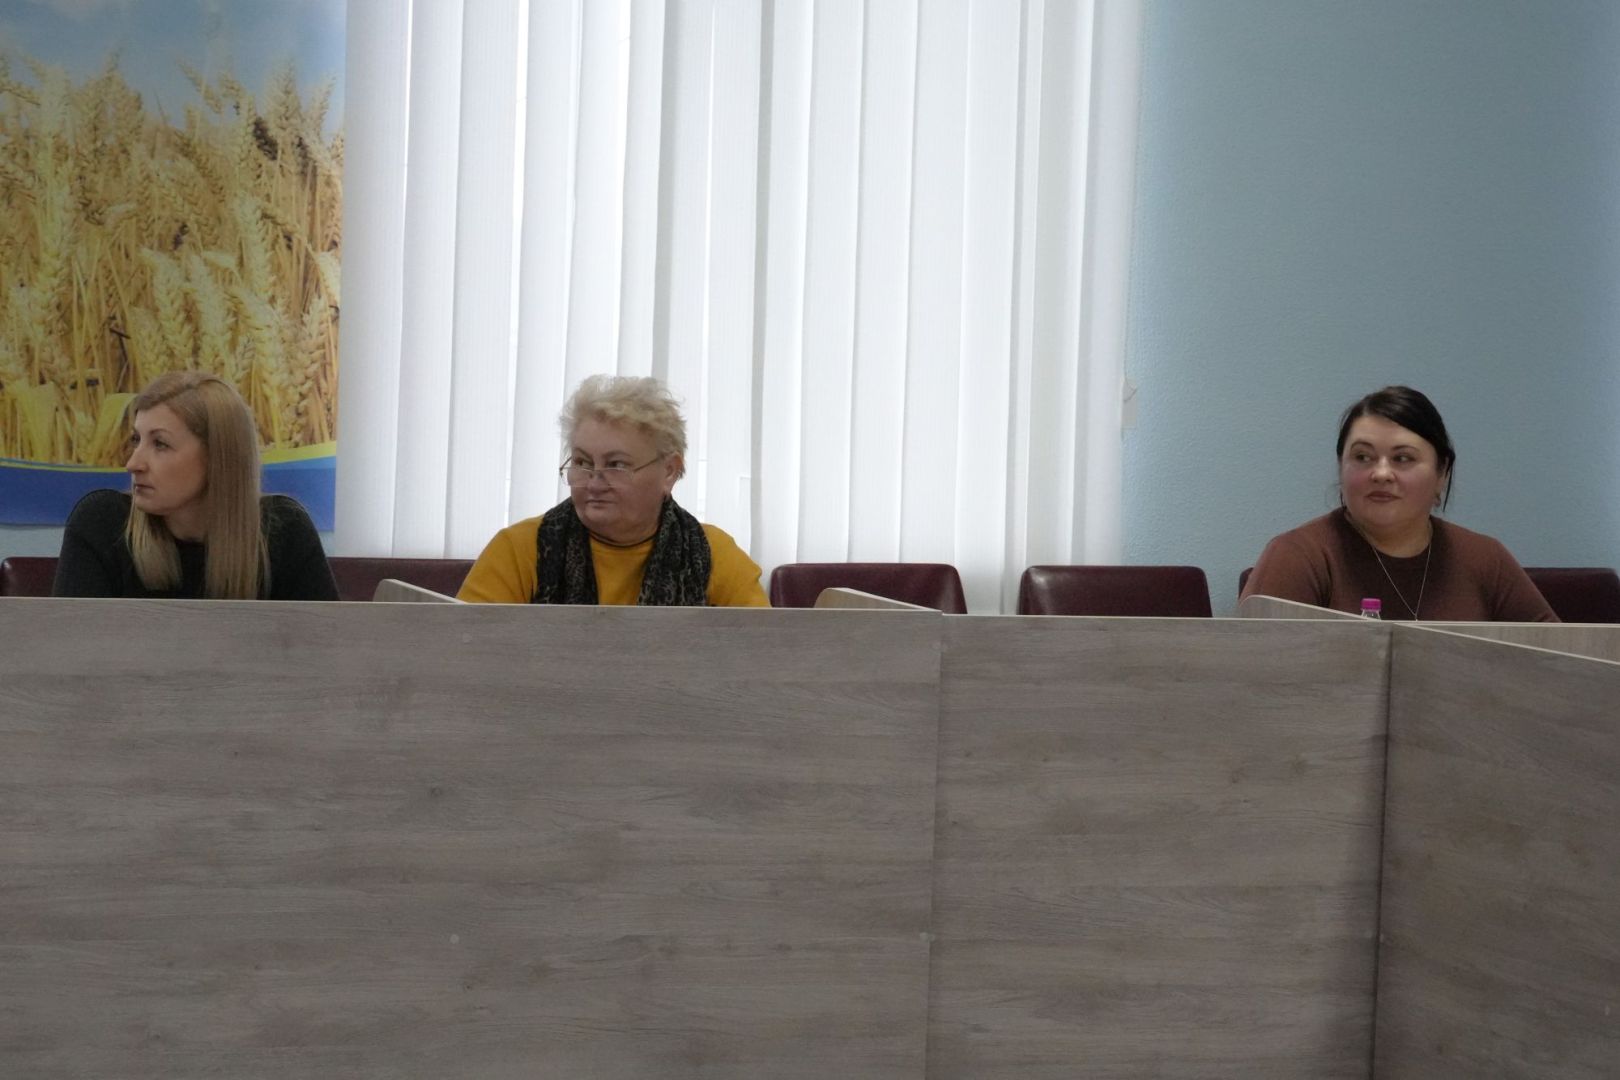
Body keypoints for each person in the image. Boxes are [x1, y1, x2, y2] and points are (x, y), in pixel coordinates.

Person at [1241, 385, 1555, 622]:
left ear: (1442, 473)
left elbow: (1556, 660)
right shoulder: (1297, 556)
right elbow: (1250, 674)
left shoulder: (1486, 559)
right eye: (1362, 457)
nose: (1381, 473)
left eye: (1402, 458)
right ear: (1340, 466)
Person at [458, 374, 768, 606]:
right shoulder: (519, 550)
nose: (594, 483)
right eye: (582, 462)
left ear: (669, 471)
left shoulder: (713, 555)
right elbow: (463, 653)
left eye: (616, 465)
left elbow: (766, 658)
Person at [52, 371, 338, 601]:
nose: (133, 463)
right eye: (136, 440)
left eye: (160, 444)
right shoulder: (101, 524)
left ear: (217, 458)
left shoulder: (284, 531)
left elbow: (328, 648)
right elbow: (68, 649)